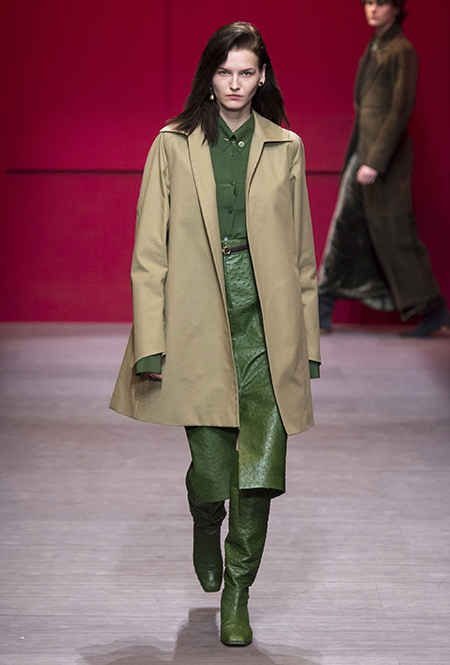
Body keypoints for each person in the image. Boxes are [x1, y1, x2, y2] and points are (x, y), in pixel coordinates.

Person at [110, 22, 320, 647]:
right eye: (225, 72)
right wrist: (152, 339)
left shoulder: (285, 146)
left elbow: (302, 254)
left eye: (246, 72)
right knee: (210, 470)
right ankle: (206, 519)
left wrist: (307, 345)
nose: (234, 83)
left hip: (268, 321)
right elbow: (149, 251)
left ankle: (238, 591)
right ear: (209, 76)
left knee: (259, 469)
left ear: (262, 77)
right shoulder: (173, 143)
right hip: (198, 313)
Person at [318, 0, 449, 337]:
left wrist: (375, 161)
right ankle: (321, 307)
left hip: (382, 160)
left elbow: (400, 109)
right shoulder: (375, 47)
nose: (373, 9)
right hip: (362, 153)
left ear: (396, 9)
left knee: (395, 234)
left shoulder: (402, 50)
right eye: (369, 2)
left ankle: (434, 310)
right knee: (345, 226)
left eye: (381, 3)